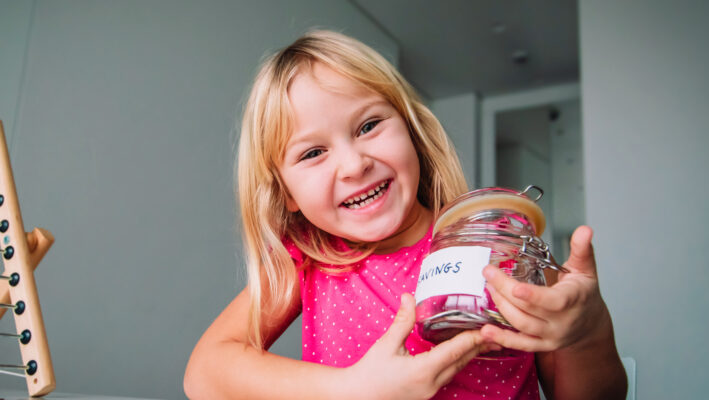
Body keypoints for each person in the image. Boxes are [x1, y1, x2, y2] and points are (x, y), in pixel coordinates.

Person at [184, 30, 627, 400]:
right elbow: (204, 372)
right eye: (314, 152)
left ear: (412, 130)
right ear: (288, 194)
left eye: (368, 125)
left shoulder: (498, 244)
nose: (355, 164)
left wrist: (586, 333)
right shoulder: (306, 260)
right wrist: (352, 389)